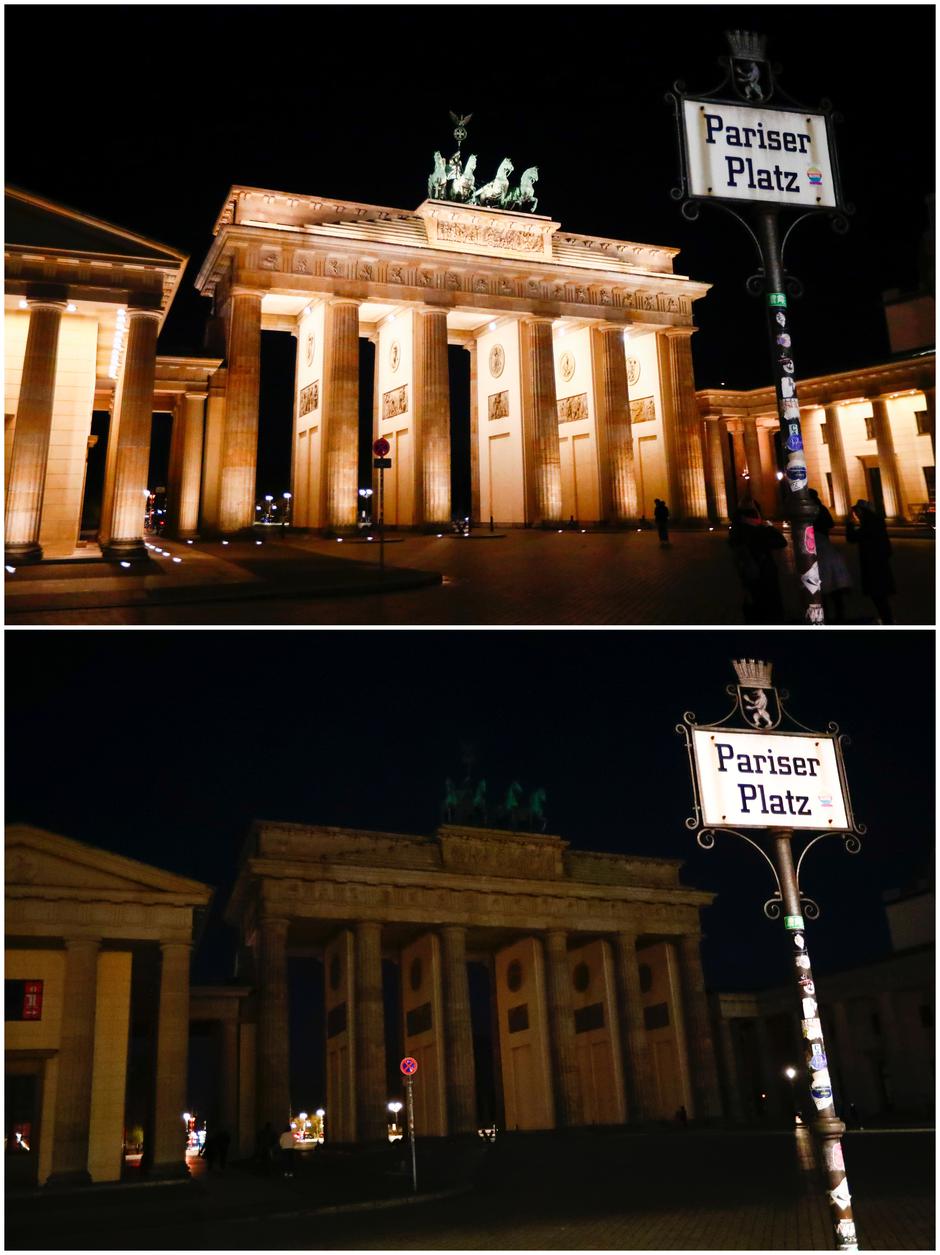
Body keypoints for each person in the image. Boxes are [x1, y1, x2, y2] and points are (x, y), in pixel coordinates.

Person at [728, 504, 788, 623]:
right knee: (768, 605)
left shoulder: (737, 532)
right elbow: (781, 542)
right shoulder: (757, 532)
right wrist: (769, 527)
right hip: (763, 574)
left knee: (753, 603)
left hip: (748, 575)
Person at [846, 499, 895, 623]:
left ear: (863, 511)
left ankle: (887, 621)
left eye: (857, 512)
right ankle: (887, 619)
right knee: (880, 597)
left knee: (878, 597)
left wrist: (849, 524)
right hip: (880, 566)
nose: (856, 514)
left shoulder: (869, 525)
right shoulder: (875, 523)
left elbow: (852, 538)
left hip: (874, 568)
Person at [807, 488, 852, 621]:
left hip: (817, 547)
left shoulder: (811, 510)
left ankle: (824, 617)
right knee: (831, 585)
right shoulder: (821, 509)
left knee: (819, 588)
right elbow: (830, 523)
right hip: (822, 545)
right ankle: (838, 616)